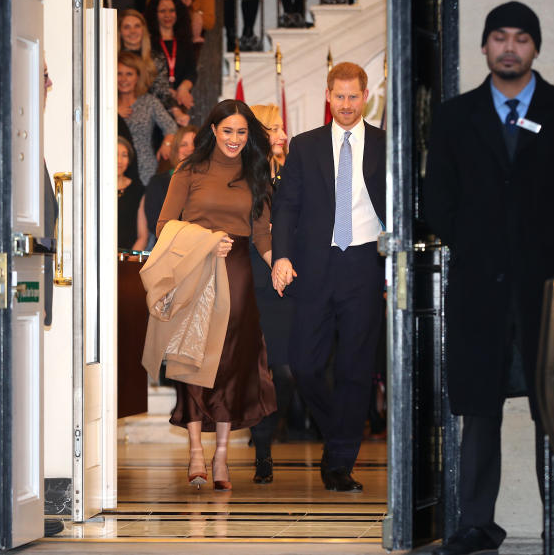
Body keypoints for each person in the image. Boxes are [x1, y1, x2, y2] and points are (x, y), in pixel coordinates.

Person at [422, 1, 554, 555]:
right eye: (499, 37)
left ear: (536, 47)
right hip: (478, 290)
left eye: (521, 38)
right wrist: (481, 247)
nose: (509, 47)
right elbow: (438, 202)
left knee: (553, 412)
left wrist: (549, 250)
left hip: (549, 289)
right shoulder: (455, 117)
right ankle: (475, 525)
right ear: (484, 46)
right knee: (479, 412)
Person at [270, 62, 387, 493]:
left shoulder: (384, 144)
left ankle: (339, 461)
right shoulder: (305, 146)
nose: (345, 104)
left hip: (364, 265)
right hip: (313, 266)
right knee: (304, 364)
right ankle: (339, 427)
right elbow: (286, 207)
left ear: (365, 95)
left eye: (353, 96)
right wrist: (280, 255)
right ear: (327, 96)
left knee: (357, 370)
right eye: (338, 96)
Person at [156, 99, 277, 491]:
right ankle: (195, 451)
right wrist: (206, 242)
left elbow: (261, 235)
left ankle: (221, 455)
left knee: (232, 362)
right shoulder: (189, 171)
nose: (235, 140)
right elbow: (163, 226)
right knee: (190, 358)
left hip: (238, 271)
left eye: (242, 132)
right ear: (212, 130)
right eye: (228, 131)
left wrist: (279, 261)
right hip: (194, 269)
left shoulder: (257, 172)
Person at [246, 104, 293, 484]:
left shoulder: (292, 171)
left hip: (290, 282)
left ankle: (272, 434)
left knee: (285, 370)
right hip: (253, 281)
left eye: (281, 128)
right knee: (258, 369)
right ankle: (262, 451)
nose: (282, 135)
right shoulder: (246, 177)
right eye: (274, 128)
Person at [117, 50, 179, 184]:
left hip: (145, 171)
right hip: (115, 168)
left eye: (129, 74)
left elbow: (171, 127)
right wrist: (113, 114)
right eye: (119, 74)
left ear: (138, 77)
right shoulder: (106, 105)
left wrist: (167, 144)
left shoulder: (149, 102)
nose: (123, 79)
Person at [118, 9, 187, 126]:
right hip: (121, 114)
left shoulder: (156, 59)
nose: (133, 31)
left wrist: (177, 112)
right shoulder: (110, 59)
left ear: (143, 30)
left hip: (150, 118)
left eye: (137, 26)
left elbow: (162, 92)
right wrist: (112, 109)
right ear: (119, 31)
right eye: (127, 27)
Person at [137, 123, 198, 248]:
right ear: (175, 150)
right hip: (167, 251)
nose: (190, 149)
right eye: (184, 145)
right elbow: (154, 224)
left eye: (195, 144)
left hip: (201, 249)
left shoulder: (208, 182)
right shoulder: (157, 182)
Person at [145, 0, 197, 117]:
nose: (167, 15)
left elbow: (192, 71)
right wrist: (167, 92)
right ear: (155, 14)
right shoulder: (147, 42)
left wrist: (183, 89)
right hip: (154, 101)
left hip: (180, 100)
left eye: (171, 10)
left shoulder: (185, 41)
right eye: (162, 11)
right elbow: (147, 74)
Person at [117, 136, 148, 249]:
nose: (119, 160)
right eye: (115, 154)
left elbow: (143, 236)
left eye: (124, 155)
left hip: (127, 258)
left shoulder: (138, 190)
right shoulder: (95, 189)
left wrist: (128, 261)